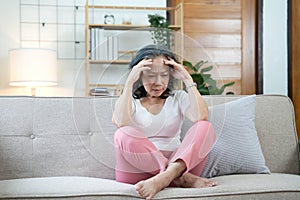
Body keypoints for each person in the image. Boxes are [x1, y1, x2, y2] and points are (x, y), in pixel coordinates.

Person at [112, 44, 217, 199]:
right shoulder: (130, 101)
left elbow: (201, 116)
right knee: (123, 133)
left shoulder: (178, 97)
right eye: (151, 75)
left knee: (205, 127)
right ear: (139, 75)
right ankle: (179, 178)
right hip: (137, 171)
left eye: (164, 75)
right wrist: (129, 82)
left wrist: (188, 79)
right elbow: (121, 121)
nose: (158, 82)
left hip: (180, 163)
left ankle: (165, 177)